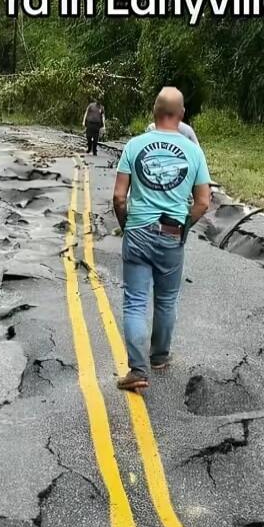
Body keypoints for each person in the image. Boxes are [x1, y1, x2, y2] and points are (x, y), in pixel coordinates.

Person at [112, 86, 211, 394]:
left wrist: (127, 225)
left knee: (135, 302)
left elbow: (118, 197)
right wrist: (183, 227)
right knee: (166, 300)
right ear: (181, 115)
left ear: (153, 113)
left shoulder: (134, 145)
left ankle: (137, 370)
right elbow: (203, 201)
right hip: (171, 233)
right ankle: (159, 358)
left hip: (139, 232)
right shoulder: (193, 151)